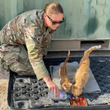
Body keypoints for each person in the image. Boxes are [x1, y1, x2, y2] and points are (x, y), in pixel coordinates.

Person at [0, 2, 64, 97]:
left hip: (21, 40)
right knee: (34, 71)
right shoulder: (33, 27)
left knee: (47, 38)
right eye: (55, 22)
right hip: (8, 45)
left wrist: (40, 54)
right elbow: (34, 57)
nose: (58, 25)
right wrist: (49, 81)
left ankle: (25, 53)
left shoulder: (47, 19)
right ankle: (5, 59)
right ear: (46, 16)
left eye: (60, 21)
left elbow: (44, 37)